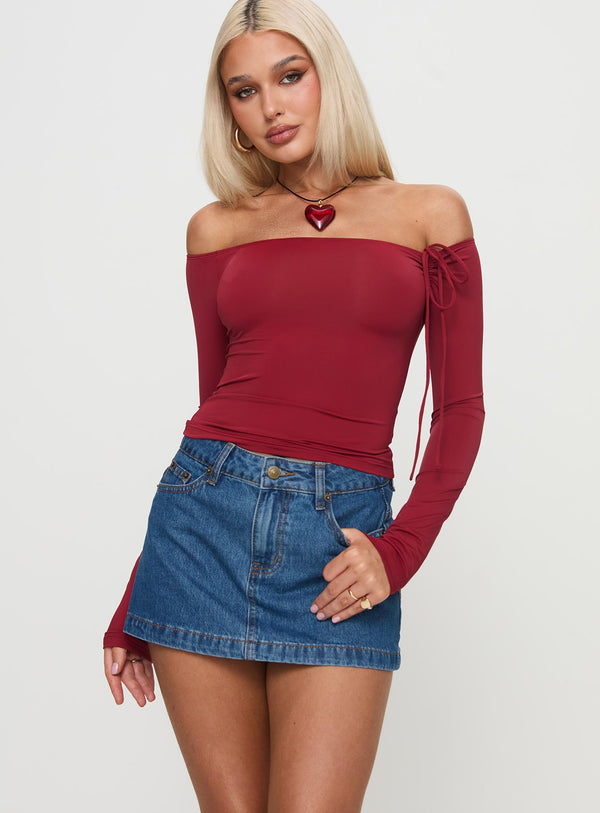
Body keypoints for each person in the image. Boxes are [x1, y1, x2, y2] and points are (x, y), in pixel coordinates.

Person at [103, 0, 485, 809]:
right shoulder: (217, 230)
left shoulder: (429, 214)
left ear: (327, 78)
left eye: (289, 76)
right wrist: (139, 592)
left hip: (339, 535)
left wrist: (399, 551)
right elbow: (212, 405)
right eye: (244, 91)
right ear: (230, 114)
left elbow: (460, 410)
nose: (271, 106)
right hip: (199, 530)